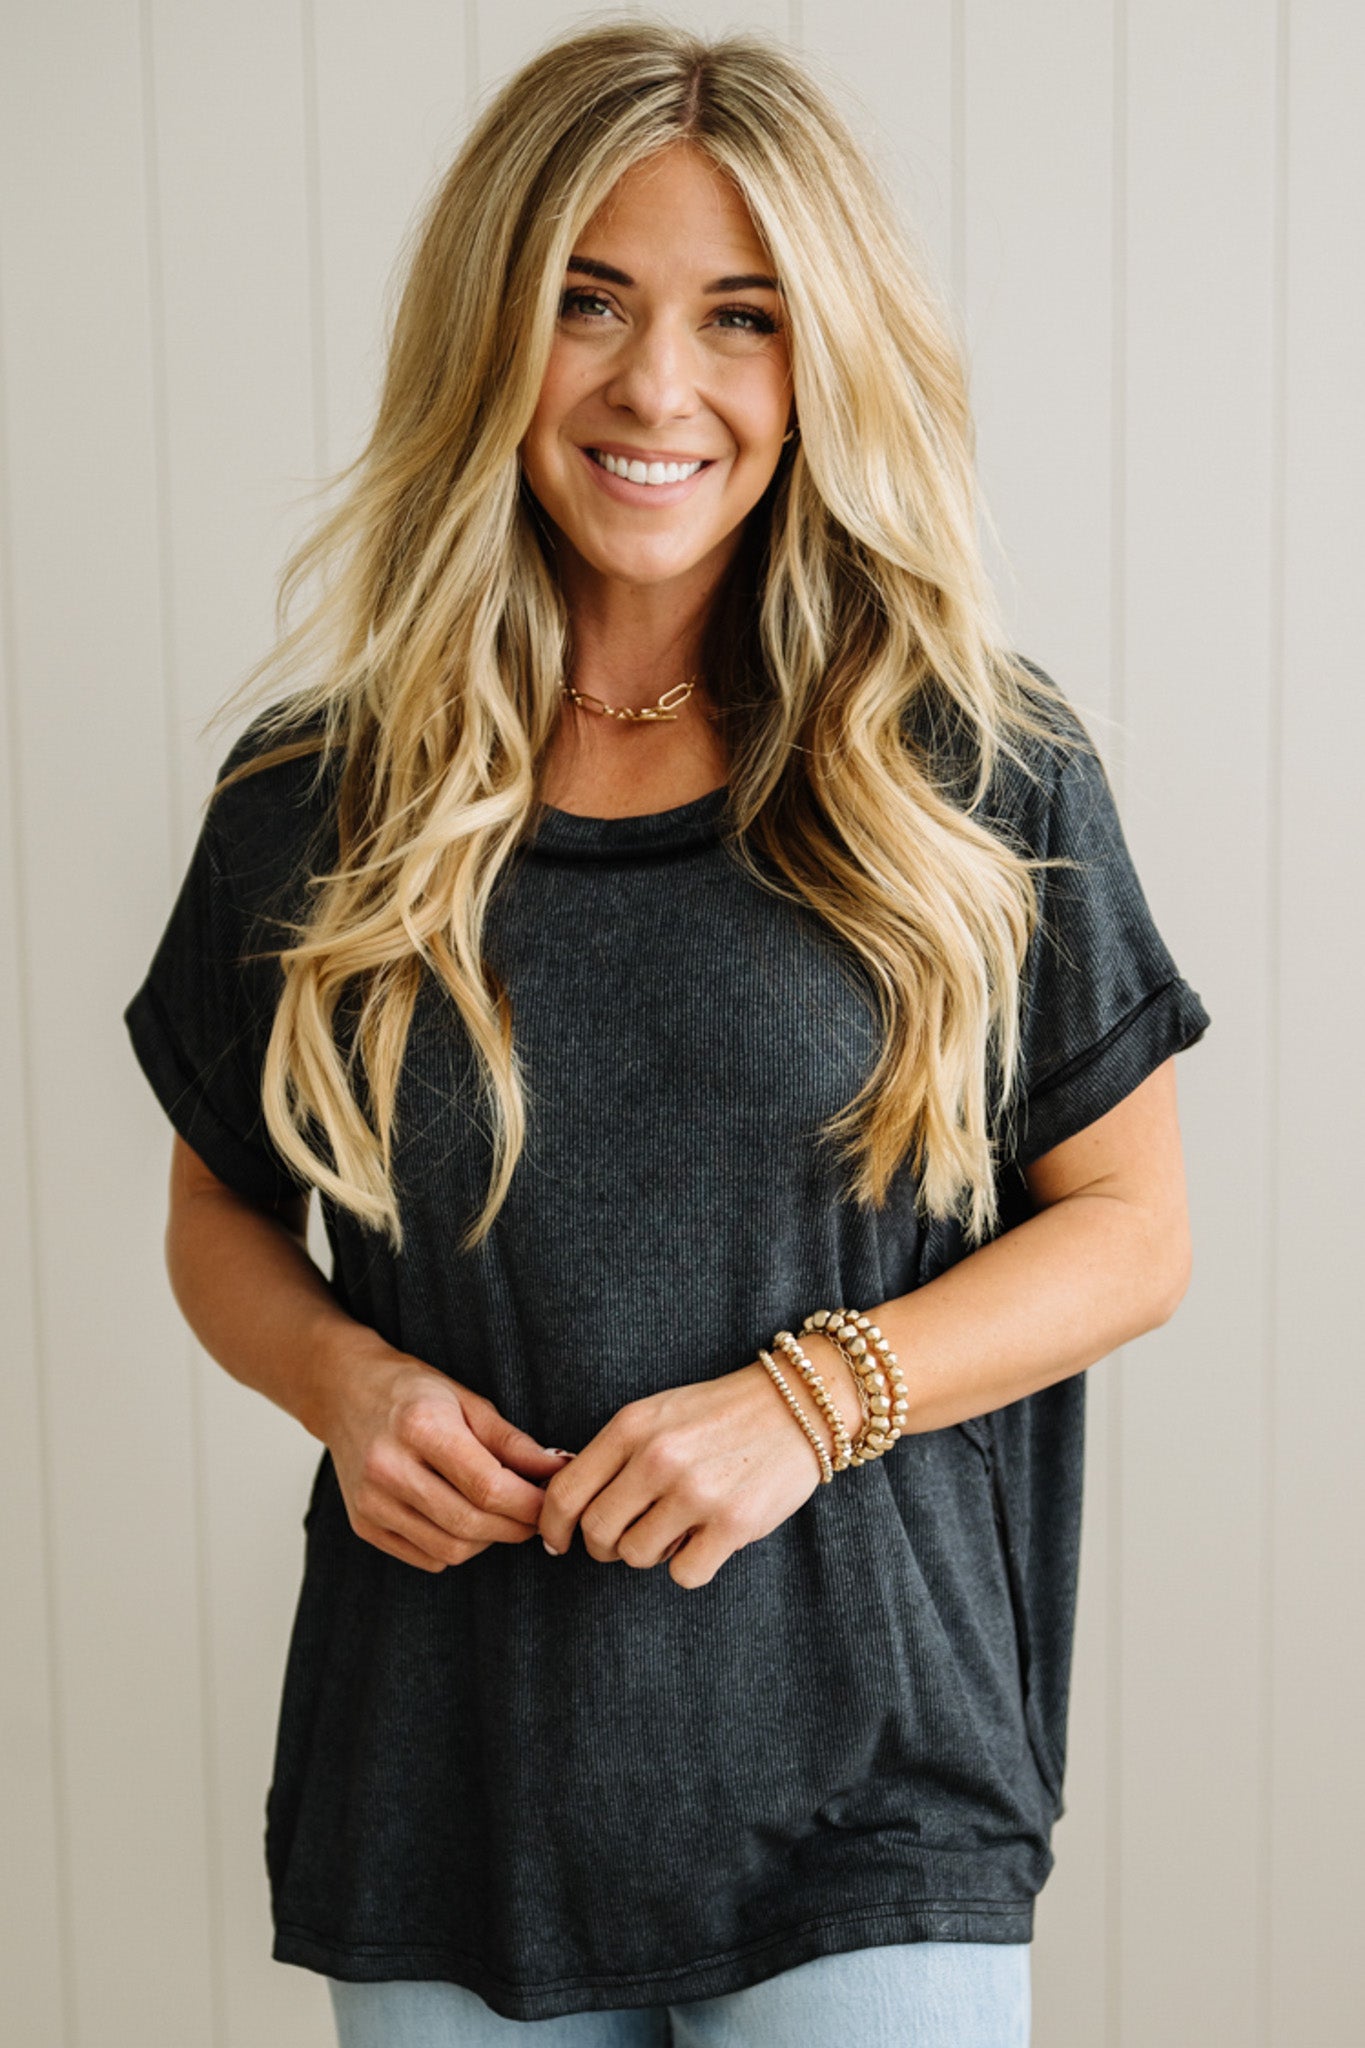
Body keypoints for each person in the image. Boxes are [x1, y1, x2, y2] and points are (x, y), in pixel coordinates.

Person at [123, 21, 1211, 2048]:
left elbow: (1131, 1230)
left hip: (870, 1784)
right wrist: (344, 1382)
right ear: (490, 330)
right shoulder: (312, 798)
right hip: (444, 1783)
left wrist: (813, 1400)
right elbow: (217, 1215)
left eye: (741, 316)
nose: (655, 386)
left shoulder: (970, 766)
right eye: (587, 301)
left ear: (819, 364)